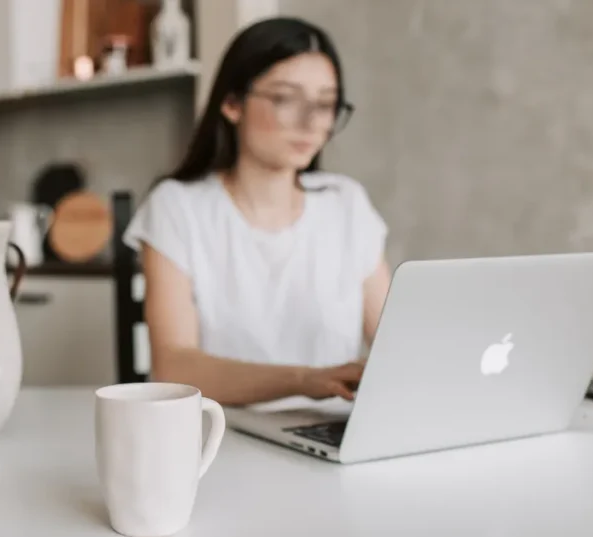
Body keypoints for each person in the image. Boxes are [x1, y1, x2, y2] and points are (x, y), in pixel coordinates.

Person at [122, 17, 391, 407]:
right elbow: (174, 366)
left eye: (325, 104)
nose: (311, 122)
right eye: (285, 99)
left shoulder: (346, 204)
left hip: (331, 432)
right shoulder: (177, 208)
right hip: (220, 432)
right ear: (232, 103)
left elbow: (395, 344)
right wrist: (304, 380)